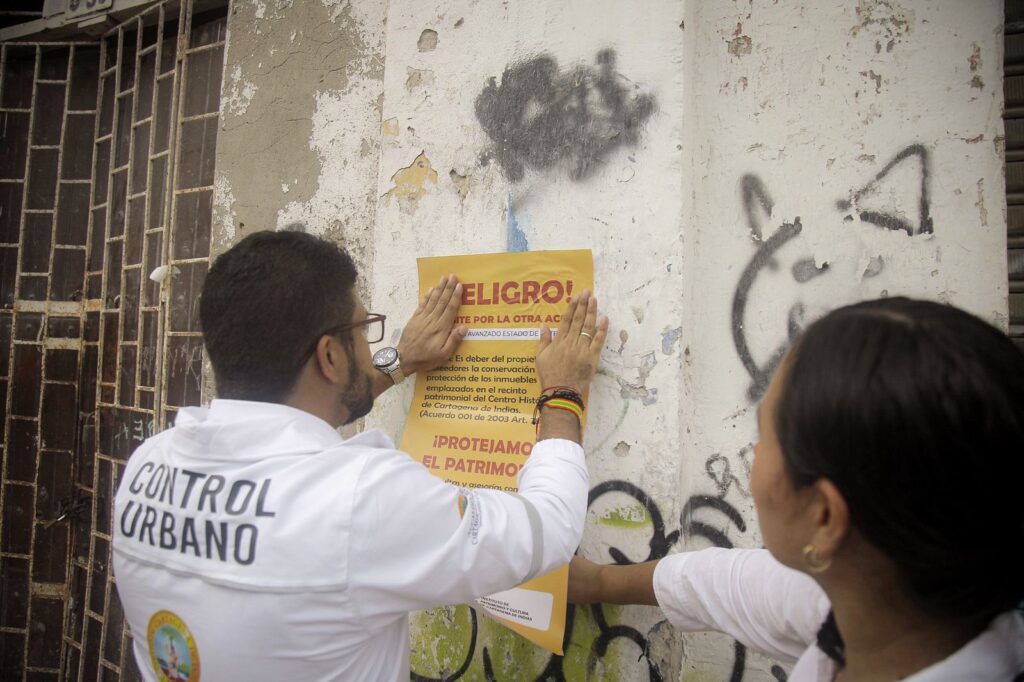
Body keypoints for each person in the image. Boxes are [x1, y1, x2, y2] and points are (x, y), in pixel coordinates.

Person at [112, 229, 609, 681]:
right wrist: (564, 391)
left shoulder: (147, 465)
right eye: (364, 331)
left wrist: (401, 360)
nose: (371, 347)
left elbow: (302, 418)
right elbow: (549, 526)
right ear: (330, 356)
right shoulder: (358, 498)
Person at [570, 297, 1024, 680]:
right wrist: (601, 581)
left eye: (765, 437)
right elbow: (720, 583)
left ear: (824, 517)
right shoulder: (877, 603)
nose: (752, 451)